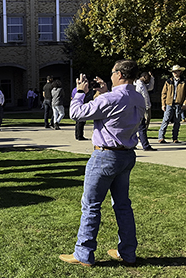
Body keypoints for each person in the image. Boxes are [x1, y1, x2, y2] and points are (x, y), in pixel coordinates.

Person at [60, 60, 145, 267]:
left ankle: (84, 252)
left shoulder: (111, 98)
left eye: (112, 72)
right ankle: (127, 252)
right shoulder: (138, 97)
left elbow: (76, 114)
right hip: (126, 155)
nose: (110, 75)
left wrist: (80, 91)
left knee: (90, 205)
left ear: (119, 74)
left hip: (105, 156)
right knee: (123, 205)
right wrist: (106, 91)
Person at [157, 65, 186, 144]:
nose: (175, 73)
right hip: (169, 103)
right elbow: (163, 93)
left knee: (177, 121)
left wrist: (184, 103)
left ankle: (175, 138)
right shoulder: (168, 81)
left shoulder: (183, 82)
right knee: (166, 120)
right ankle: (161, 137)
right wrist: (163, 104)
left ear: (180, 72)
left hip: (178, 103)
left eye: (177, 71)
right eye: (174, 72)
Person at [134, 72, 156, 151]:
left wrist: (152, 78)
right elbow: (144, 96)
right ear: (143, 76)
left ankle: (133, 143)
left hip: (140, 107)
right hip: (141, 108)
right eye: (148, 77)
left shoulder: (142, 84)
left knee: (137, 127)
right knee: (142, 127)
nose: (148, 79)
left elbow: (150, 87)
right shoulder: (139, 85)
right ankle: (145, 145)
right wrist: (146, 106)